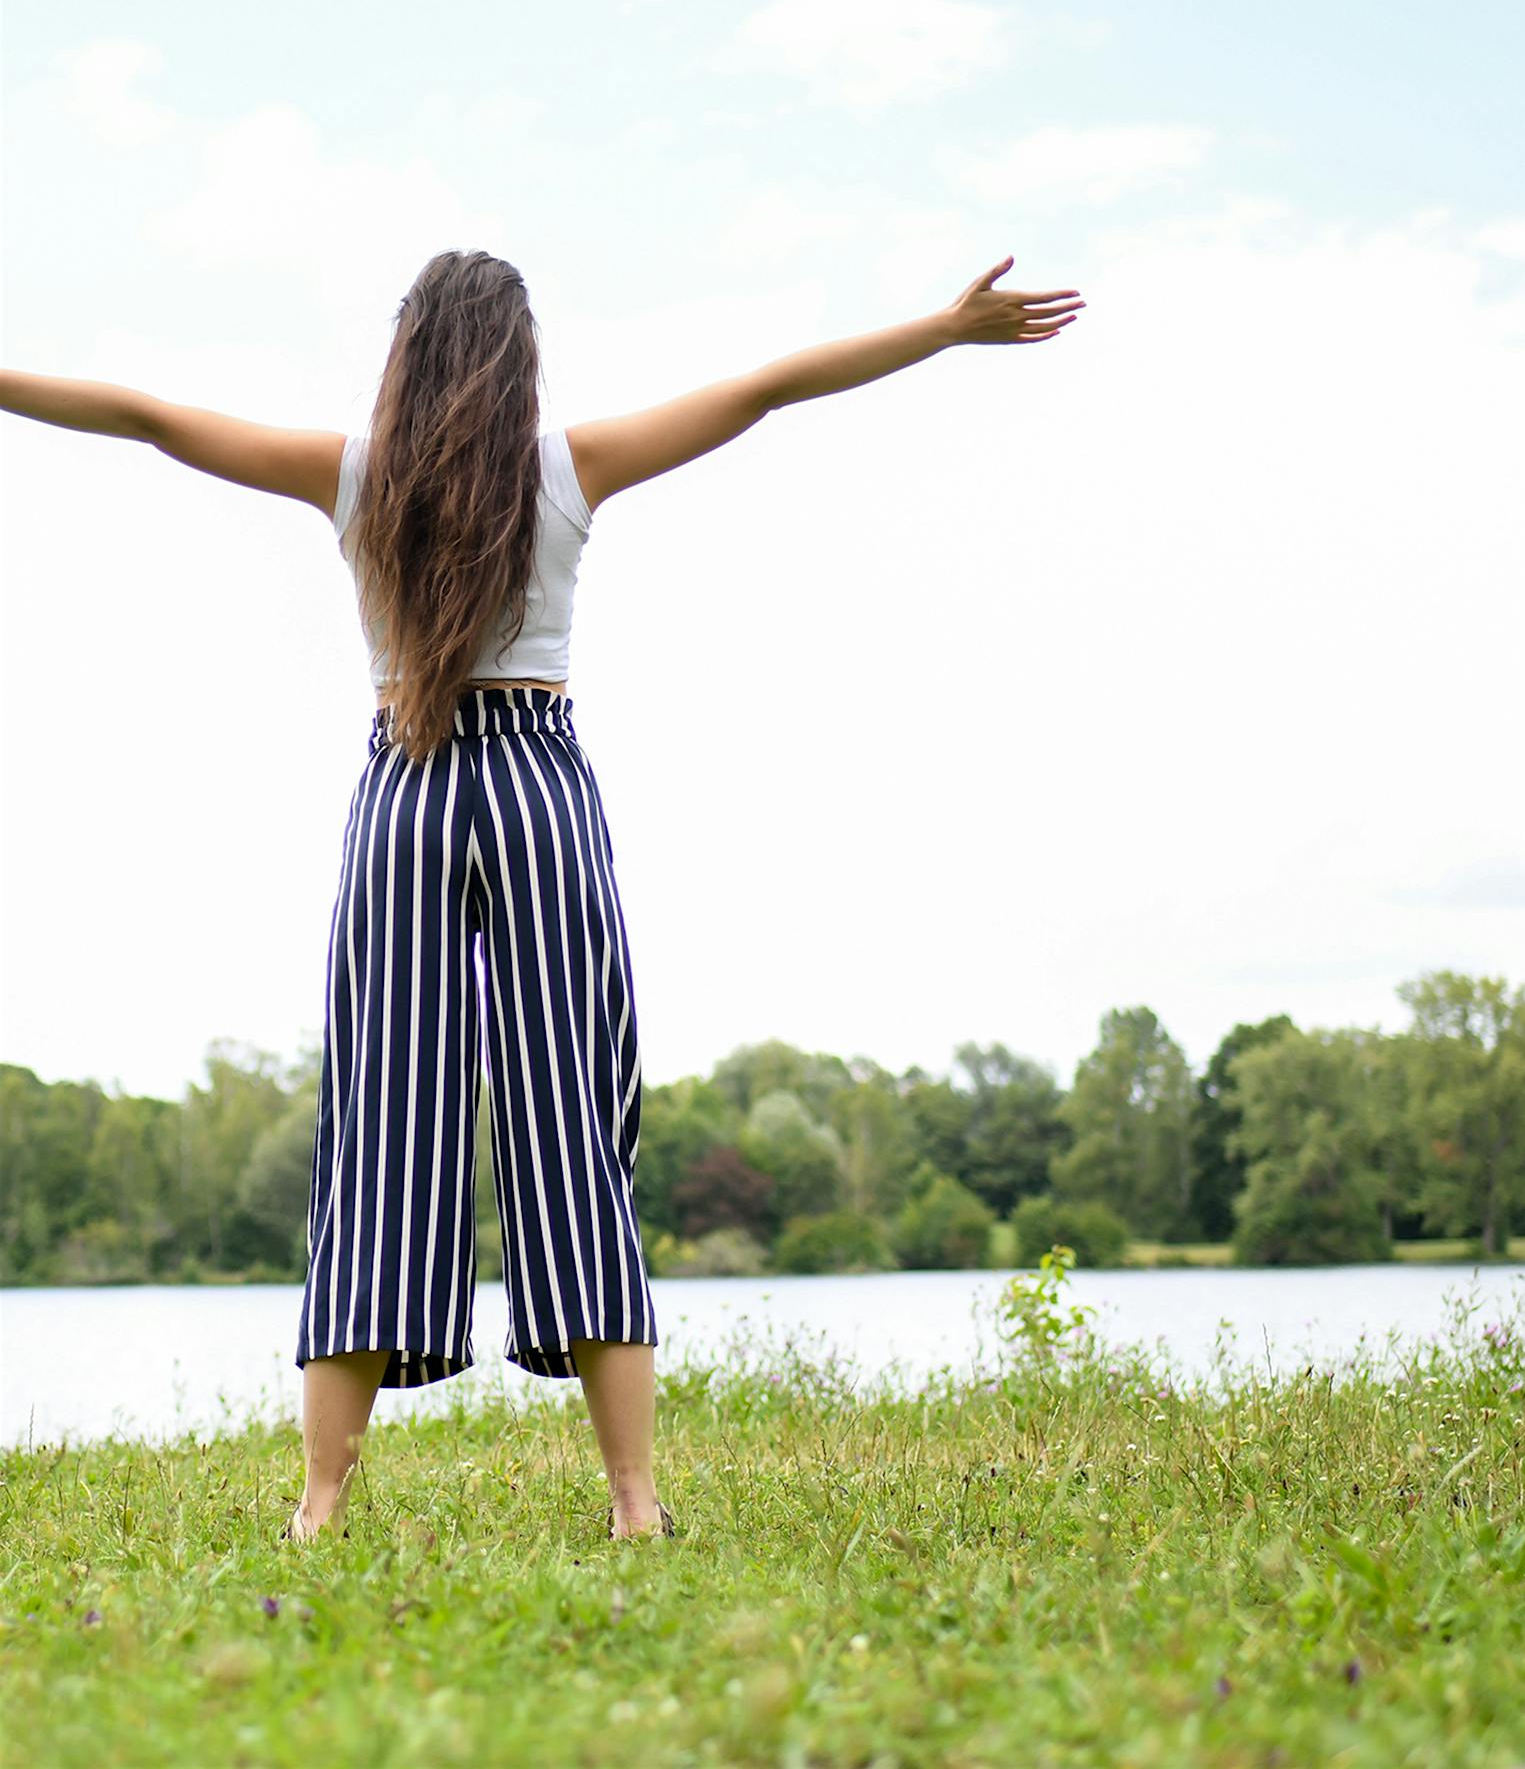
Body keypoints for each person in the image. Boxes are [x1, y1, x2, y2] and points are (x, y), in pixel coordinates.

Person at [0, 248, 1084, 1545]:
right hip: (537, 791)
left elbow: (148, 417)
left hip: (404, 789)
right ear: (518, 359)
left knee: (379, 1141)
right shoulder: (566, 470)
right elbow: (768, 389)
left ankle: (321, 1507)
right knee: (575, 1135)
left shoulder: (351, 477)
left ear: (406, 359)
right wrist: (941, 331)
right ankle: (633, 1503)